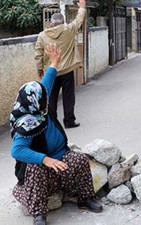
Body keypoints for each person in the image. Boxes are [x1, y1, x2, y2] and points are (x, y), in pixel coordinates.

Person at [11, 44, 102, 225]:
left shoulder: (39, 104)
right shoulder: (26, 123)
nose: (48, 98)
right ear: (36, 104)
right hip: (42, 169)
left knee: (80, 160)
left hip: (60, 159)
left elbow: (47, 83)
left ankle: (84, 199)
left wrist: (54, 63)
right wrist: (45, 160)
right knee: (35, 169)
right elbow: (17, 150)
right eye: (44, 98)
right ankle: (40, 215)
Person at [34, 0, 86, 129]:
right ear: (62, 22)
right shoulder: (68, 30)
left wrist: (40, 69)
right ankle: (69, 121)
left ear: (51, 22)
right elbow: (79, 20)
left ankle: (52, 123)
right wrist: (82, 7)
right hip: (67, 71)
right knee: (68, 97)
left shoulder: (42, 35)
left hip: (52, 71)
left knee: (51, 98)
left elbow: (38, 54)